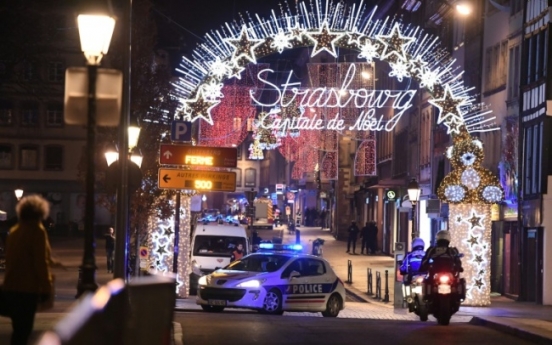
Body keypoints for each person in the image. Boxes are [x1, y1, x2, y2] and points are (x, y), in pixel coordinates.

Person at [2, 195, 55, 345]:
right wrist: (46, 288)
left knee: (18, 329)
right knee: (24, 330)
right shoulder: (37, 231)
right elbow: (40, 263)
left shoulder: (15, 231)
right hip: (28, 289)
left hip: (11, 287)